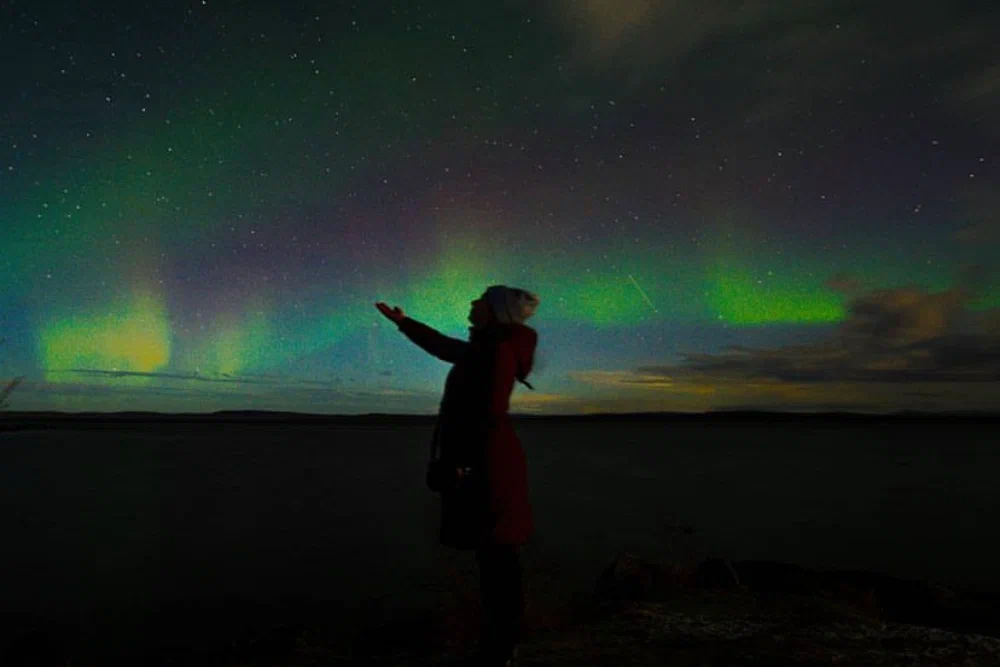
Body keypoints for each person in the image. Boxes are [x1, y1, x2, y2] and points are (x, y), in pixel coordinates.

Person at [375, 285, 540, 667]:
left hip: (488, 464)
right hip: (486, 460)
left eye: (480, 300)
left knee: (498, 554)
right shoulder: (484, 348)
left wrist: (461, 464)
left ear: (495, 311)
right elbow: (443, 347)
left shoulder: (495, 351)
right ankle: (500, 642)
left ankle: (501, 648)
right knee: (494, 553)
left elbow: (488, 411)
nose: (471, 303)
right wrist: (404, 323)